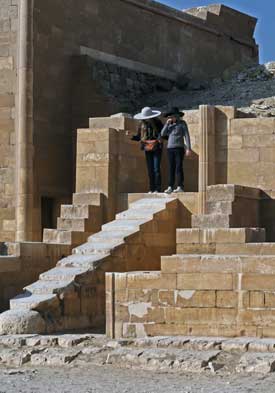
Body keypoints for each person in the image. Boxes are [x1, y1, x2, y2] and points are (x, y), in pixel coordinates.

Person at [133, 107, 163, 193]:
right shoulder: (141, 124)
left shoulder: (158, 122)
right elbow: (139, 136)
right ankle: (151, 188)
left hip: (157, 147)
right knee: (150, 169)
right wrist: (131, 136)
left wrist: (161, 138)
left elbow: (163, 133)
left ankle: (158, 188)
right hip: (147, 147)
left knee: (156, 168)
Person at [161, 107, 191, 194]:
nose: (170, 118)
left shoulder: (182, 123)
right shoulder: (169, 125)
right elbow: (162, 134)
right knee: (171, 168)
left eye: (172, 116)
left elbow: (186, 136)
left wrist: (188, 148)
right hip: (170, 149)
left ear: (176, 116)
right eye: (169, 117)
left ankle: (180, 186)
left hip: (179, 148)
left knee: (178, 167)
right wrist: (167, 124)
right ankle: (170, 186)